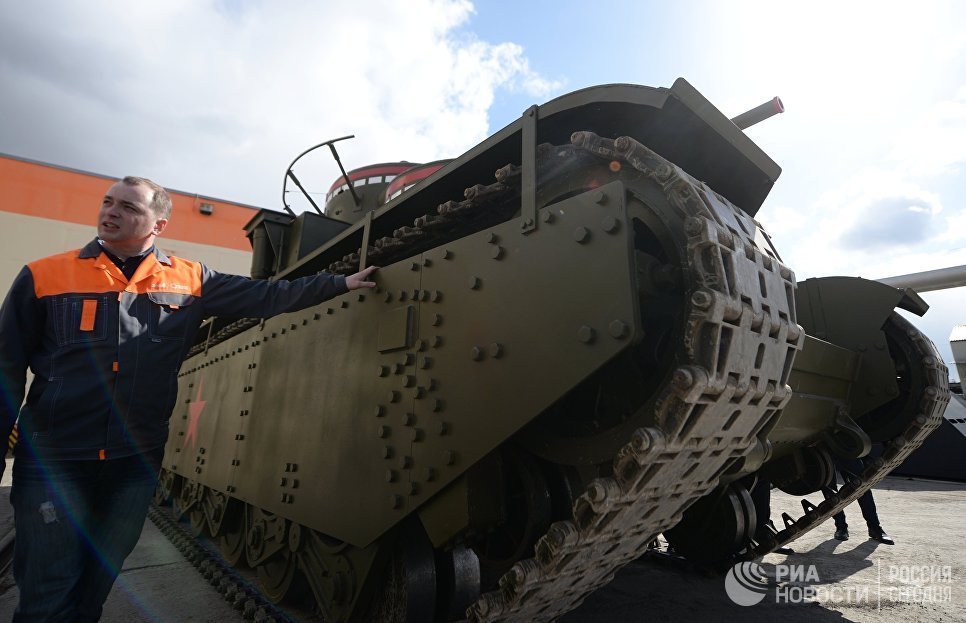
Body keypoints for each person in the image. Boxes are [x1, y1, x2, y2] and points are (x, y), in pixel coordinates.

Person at [0, 176, 378, 622]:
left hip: (132, 462)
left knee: (95, 582)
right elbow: (6, 369)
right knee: (47, 587)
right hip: (55, 459)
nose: (111, 211)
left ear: (157, 224)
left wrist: (339, 283)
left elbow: (269, 295)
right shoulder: (45, 275)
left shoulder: (191, 279)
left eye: (128, 207)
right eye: (108, 202)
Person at [826, 456, 894, 545]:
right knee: (829, 487)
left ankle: (874, 528)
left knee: (861, 484)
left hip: (845, 445)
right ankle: (841, 527)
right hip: (819, 445)